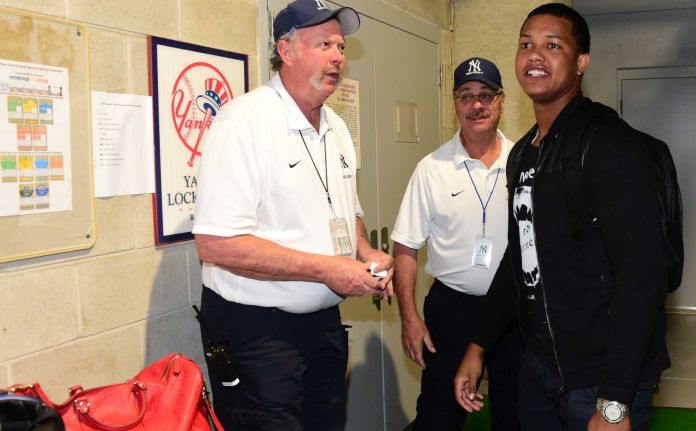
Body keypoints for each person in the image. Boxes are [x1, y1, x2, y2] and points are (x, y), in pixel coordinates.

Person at [454, 4, 671, 431]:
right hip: (539, 369)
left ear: (581, 63)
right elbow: (520, 263)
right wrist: (477, 346)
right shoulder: (524, 154)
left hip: (600, 380)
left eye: (552, 45)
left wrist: (614, 402)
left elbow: (643, 276)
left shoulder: (609, 144)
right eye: (526, 45)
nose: (535, 55)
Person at [192, 1, 394, 429]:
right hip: (258, 333)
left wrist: (364, 252)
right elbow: (216, 244)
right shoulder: (243, 122)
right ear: (285, 50)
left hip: (322, 324)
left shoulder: (337, 128)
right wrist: (326, 270)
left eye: (341, 45)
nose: (338, 56)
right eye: (324, 44)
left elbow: (347, 211)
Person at [392, 57, 524, 430]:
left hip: (512, 312)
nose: (476, 105)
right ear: (455, 102)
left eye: (485, 95)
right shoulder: (431, 169)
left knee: (516, 415)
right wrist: (410, 318)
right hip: (452, 311)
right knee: (438, 417)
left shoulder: (523, 161)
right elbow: (405, 248)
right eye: (466, 96)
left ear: (501, 101)